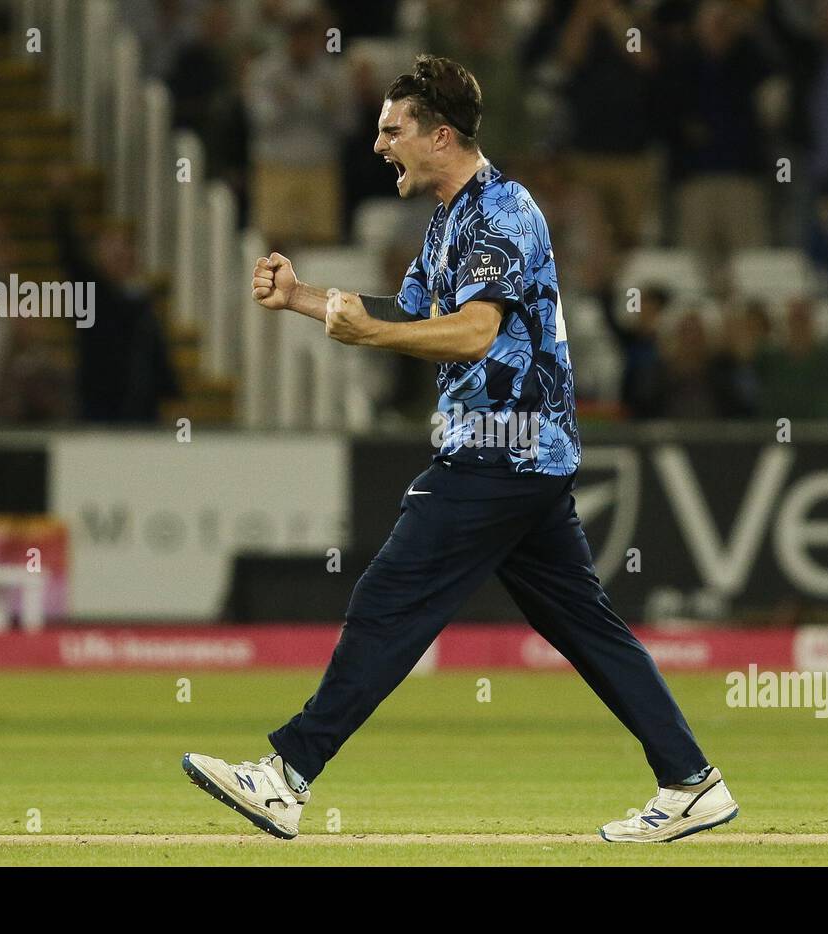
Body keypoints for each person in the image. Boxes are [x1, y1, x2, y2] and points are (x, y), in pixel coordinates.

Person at [182, 55, 737, 844]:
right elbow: (410, 310)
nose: (378, 145)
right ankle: (692, 783)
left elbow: (474, 333)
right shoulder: (451, 216)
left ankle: (285, 777)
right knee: (587, 628)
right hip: (523, 458)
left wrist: (367, 330)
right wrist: (306, 298)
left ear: (440, 136)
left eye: (391, 130)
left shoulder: (504, 212)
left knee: (388, 601)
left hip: (501, 451)